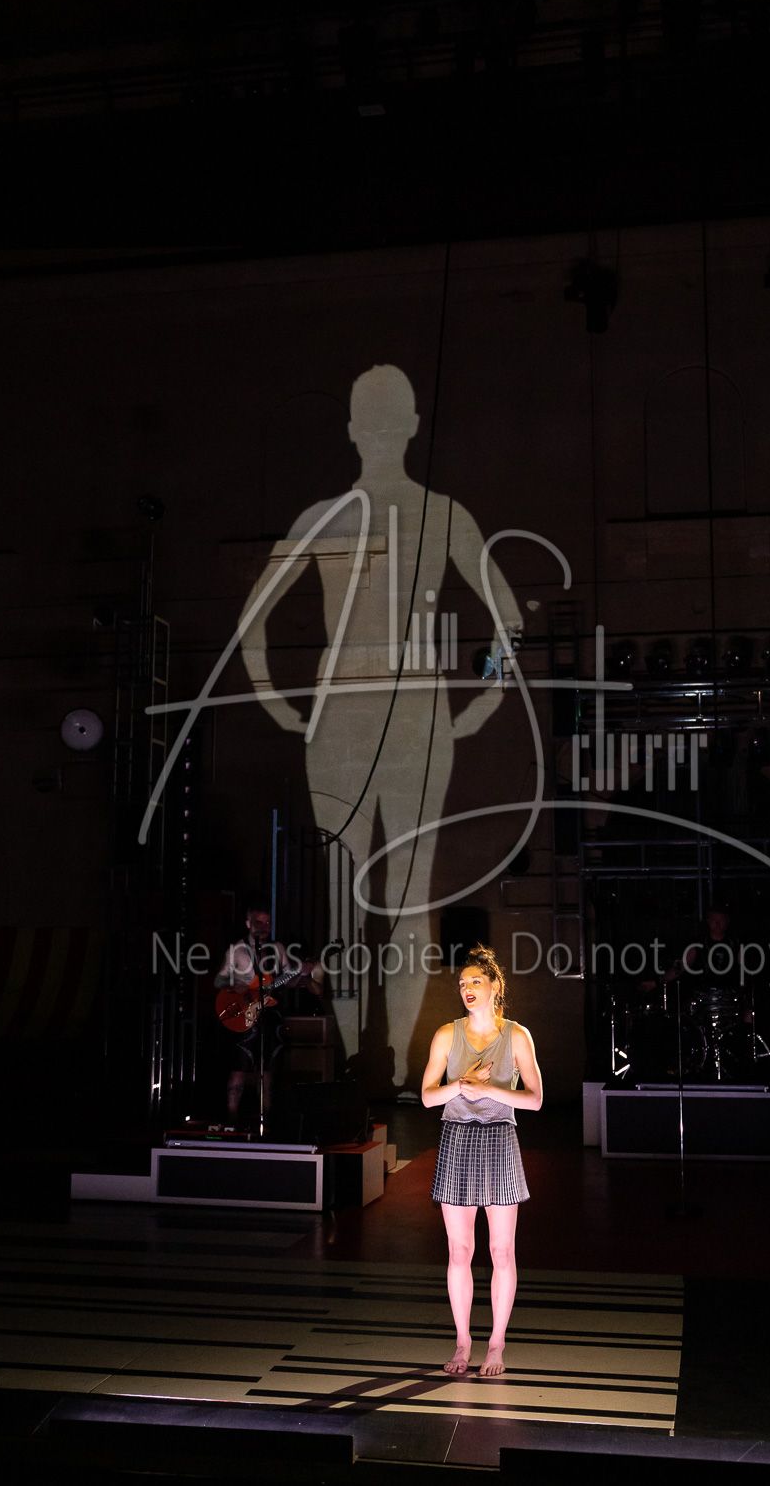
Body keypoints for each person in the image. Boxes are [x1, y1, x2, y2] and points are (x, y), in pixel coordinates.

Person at [240, 365, 522, 1088]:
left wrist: (278, 700)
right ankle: (385, 1066)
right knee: (400, 898)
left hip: (366, 711)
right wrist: (485, 699)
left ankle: (373, 1064)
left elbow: (253, 621)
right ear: (412, 426)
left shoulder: (338, 516)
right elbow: (509, 620)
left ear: (354, 429)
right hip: (396, 713)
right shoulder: (432, 514)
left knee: (366, 898)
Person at [421, 944, 542, 1379]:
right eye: (462, 983)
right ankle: (462, 1342)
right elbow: (427, 1096)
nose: (467, 988)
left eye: (475, 981)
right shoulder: (446, 1034)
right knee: (460, 1250)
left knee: (501, 1250)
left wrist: (488, 1090)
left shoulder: (517, 1035)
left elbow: (535, 1099)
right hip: (456, 1138)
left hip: (499, 1139)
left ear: (495, 986)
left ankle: (496, 1344)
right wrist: (462, 1084)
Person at [214, 899, 322, 1122]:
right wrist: (236, 985)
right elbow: (218, 980)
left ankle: (266, 1120)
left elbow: (286, 979)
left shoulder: (277, 949)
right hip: (243, 1015)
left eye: (268, 922)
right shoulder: (236, 950)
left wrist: (302, 974)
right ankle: (231, 1119)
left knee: (267, 1071)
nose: (264, 927)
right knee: (239, 1068)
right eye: (259, 922)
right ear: (248, 923)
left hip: (269, 1016)